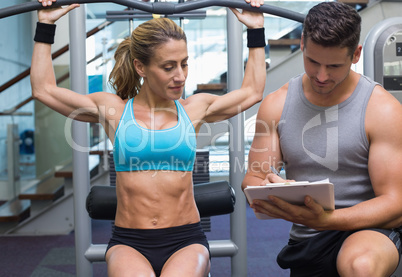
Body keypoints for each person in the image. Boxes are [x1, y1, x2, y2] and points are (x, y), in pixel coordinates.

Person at [33, 0, 266, 276]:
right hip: (130, 241)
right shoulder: (115, 111)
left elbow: (252, 91)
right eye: (168, 67)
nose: (180, 76)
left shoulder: (195, 108)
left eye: (184, 64)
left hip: (185, 240)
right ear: (141, 67)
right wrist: (45, 24)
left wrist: (256, 30)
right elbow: (44, 89)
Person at [242, 2, 402, 277]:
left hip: (367, 230)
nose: (321, 76)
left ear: (356, 55)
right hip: (308, 237)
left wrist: (329, 219)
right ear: (302, 43)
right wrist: (269, 186)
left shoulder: (382, 110)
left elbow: (396, 203)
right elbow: (252, 180)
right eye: (313, 62)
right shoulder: (276, 104)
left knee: (359, 266)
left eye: (334, 66)